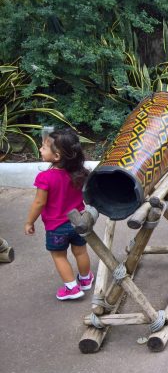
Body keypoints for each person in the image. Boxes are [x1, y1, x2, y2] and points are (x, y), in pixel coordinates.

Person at [25, 128, 94, 300]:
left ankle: (71, 288)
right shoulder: (79, 173)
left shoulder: (45, 178)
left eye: (44, 147)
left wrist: (29, 222)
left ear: (56, 157)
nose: (40, 149)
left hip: (56, 228)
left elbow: (39, 203)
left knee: (59, 256)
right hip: (78, 222)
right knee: (81, 252)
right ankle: (85, 280)